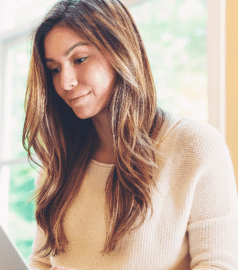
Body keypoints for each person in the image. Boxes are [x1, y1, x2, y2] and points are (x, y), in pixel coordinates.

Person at [22, 0, 238, 269]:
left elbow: (218, 265)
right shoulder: (57, 163)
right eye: (55, 69)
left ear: (120, 52)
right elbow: (41, 262)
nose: (65, 82)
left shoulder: (196, 146)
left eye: (79, 59)